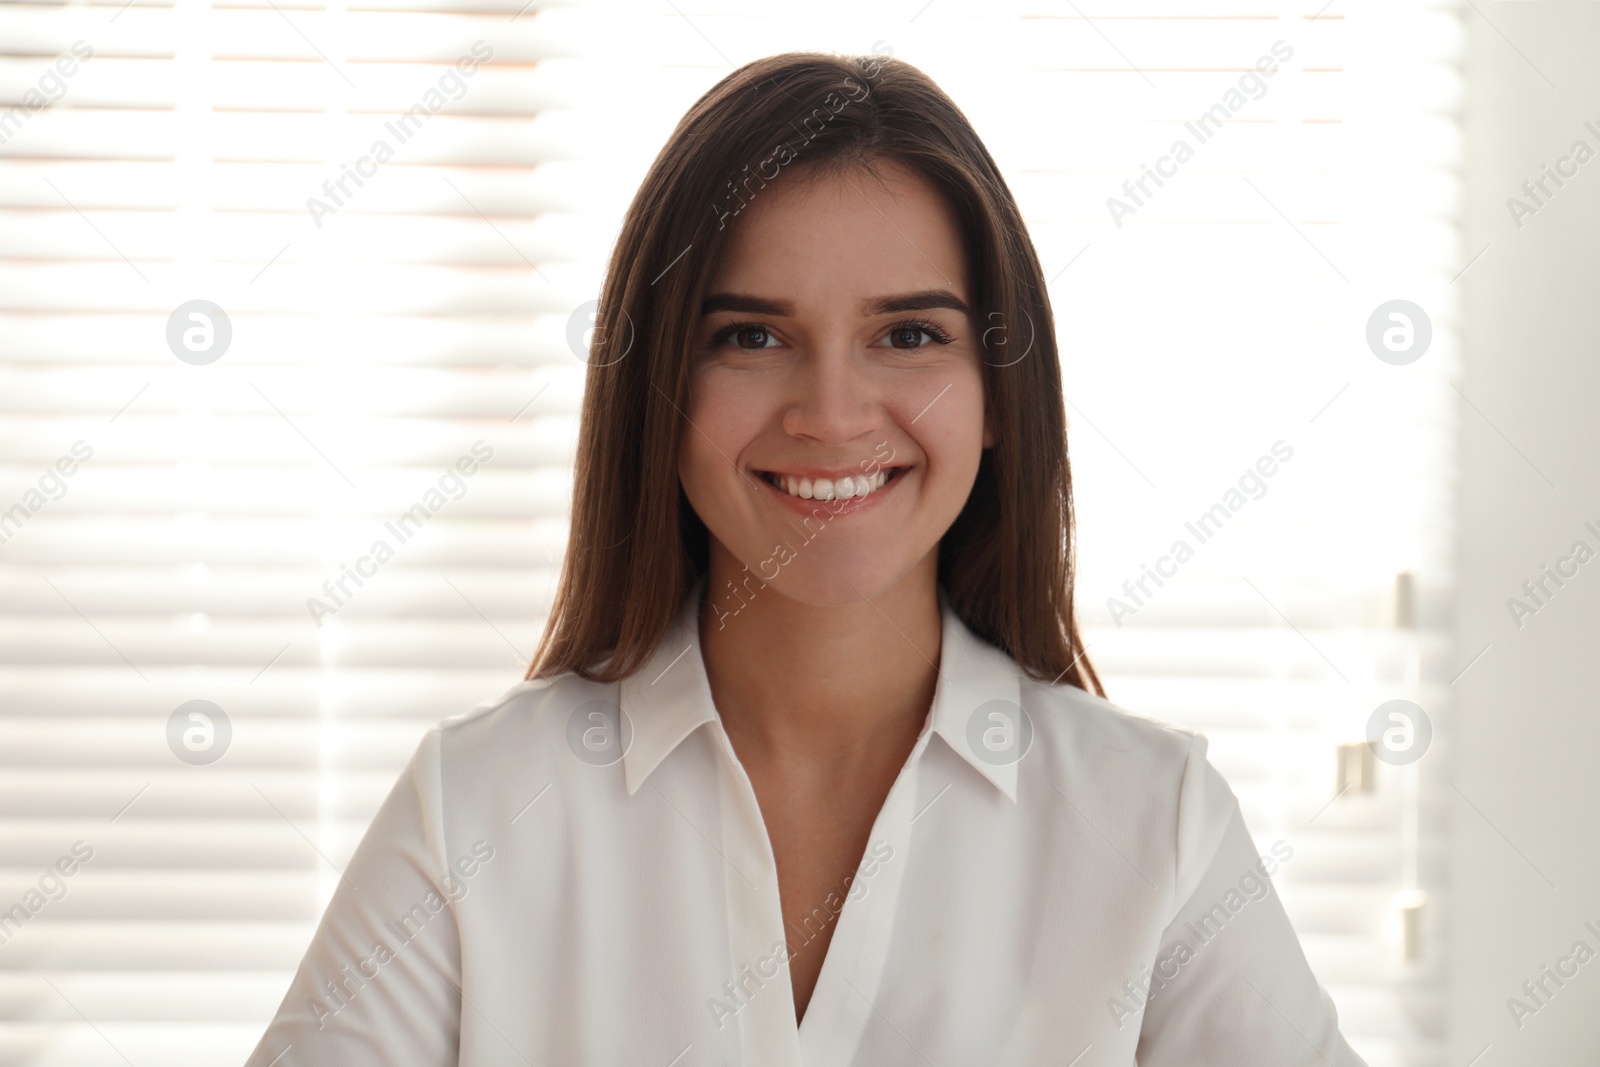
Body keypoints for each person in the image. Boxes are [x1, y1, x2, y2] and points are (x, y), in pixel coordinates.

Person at [245, 50, 1367, 1066]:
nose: (831, 414)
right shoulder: (477, 808)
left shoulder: (1153, 823)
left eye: (910, 334)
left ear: (995, 398)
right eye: (750, 336)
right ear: (661, 394)